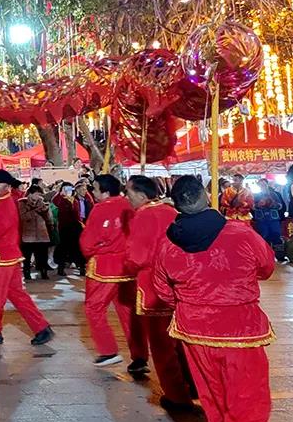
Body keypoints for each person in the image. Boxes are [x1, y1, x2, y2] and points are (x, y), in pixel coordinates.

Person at [154, 176, 275, 422]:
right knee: (249, 403)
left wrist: (192, 303)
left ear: (176, 205)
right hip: (239, 329)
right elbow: (267, 268)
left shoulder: (167, 243)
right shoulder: (241, 234)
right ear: (207, 196)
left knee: (214, 398)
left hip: (193, 329)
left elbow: (162, 290)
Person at [123, 175, 194, 409]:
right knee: (181, 339)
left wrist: (129, 265)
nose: (127, 198)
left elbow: (137, 257)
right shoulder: (171, 212)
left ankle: (176, 394)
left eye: (129, 193)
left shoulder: (143, 216)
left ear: (142, 195)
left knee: (161, 343)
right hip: (178, 283)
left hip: (152, 285)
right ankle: (192, 384)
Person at [0, 170, 53, 346]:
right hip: (5, 256)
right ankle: (41, 328)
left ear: (7, 186)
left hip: (2, 258)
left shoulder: (6, 206)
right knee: (17, 295)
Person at [79, 174, 144, 368]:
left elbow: (88, 241)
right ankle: (140, 356)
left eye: (95, 189)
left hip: (104, 267)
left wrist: (91, 251)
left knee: (94, 308)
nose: (93, 192)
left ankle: (108, 350)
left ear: (105, 192)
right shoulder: (129, 205)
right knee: (128, 311)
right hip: (127, 266)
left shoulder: (100, 209)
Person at [18, 185, 53, 280]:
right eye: (37, 194)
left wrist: (46, 212)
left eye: (40, 194)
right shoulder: (22, 203)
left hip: (42, 233)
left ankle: (43, 272)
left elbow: (49, 218)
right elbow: (23, 217)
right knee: (27, 255)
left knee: (43, 255)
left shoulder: (42, 203)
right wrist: (36, 211)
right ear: (31, 193)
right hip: (28, 234)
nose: (39, 196)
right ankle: (27, 272)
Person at [52, 182, 84, 275]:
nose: (69, 191)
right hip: (63, 227)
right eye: (66, 189)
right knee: (63, 248)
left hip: (75, 227)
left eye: (70, 189)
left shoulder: (75, 200)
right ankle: (61, 268)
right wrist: (61, 195)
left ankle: (81, 268)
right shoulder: (59, 199)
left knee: (77, 248)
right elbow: (56, 207)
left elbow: (77, 214)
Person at [253, 178, 287, 263]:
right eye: (261, 184)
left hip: (273, 219)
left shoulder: (274, 194)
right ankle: (266, 257)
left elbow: (281, 206)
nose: (262, 186)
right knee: (264, 237)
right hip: (262, 219)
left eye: (264, 184)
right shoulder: (256, 195)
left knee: (276, 236)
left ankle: (280, 256)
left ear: (267, 184)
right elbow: (252, 207)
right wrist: (258, 205)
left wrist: (272, 203)